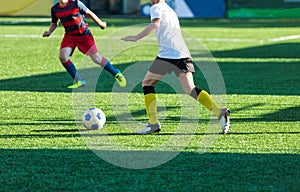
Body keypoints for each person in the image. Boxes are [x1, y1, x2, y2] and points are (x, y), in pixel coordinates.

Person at [122, 0, 230, 134]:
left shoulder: (156, 7)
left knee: (147, 83)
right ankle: (220, 112)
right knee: (190, 89)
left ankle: (153, 124)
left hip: (168, 54)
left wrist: (135, 37)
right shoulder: (169, 9)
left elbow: (155, 25)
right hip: (182, 53)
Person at [43, 0, 126, 88]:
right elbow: (54, 23)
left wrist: (100, 23)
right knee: (63, 57)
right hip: (69, 36)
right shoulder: (55, 9)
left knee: (97, 59)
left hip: (84, 35)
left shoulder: (75, 3)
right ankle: (79, 80)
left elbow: (89, 13)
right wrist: (49, 32)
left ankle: (116, 73)